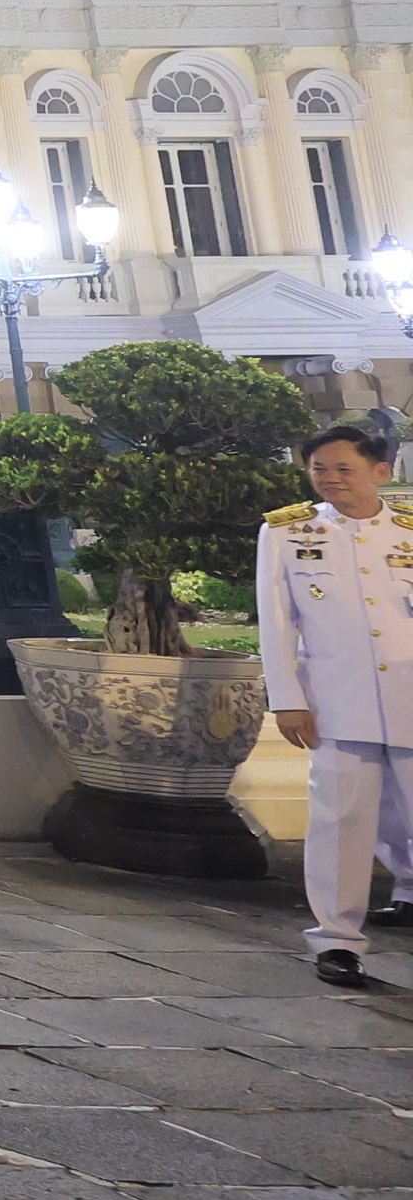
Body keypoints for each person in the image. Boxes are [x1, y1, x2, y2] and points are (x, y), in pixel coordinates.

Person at [258, 420, 413, 990]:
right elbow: (277, 624)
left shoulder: (408, 529)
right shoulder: (286, 533)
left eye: (343, 468)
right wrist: (288, 699)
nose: (329, 479)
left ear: (381, 471)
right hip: (338, 701)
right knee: (342, 822)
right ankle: (337, 941)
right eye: (319, 468)